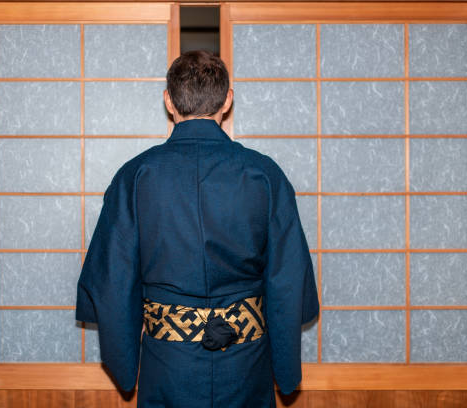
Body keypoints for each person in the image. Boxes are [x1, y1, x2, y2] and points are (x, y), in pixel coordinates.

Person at [75, 49, 320, 408]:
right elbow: (288, 276)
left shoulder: (136, 176)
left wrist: (126, 366)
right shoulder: (264, 175)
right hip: (245, 361)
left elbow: (113, 278)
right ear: (227, 102)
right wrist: (285, 371)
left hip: (169, 364)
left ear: (169, 102)